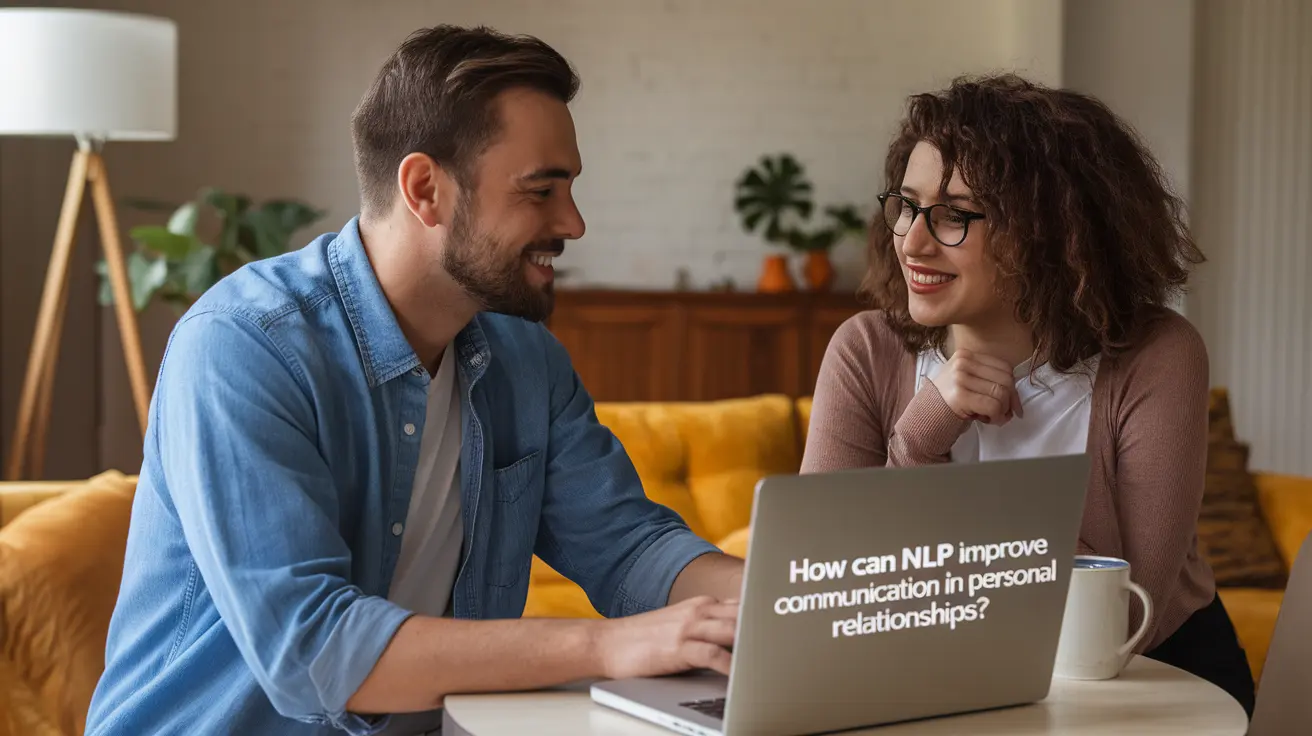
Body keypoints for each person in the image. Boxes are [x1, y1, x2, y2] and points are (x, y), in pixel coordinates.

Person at [85, 25, 743, 736]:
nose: (573, 222)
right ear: (426, 189)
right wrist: (606, 647)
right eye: (540, 191)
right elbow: (312, 649)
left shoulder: (527, 361)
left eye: (571, 189)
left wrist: (783, 598)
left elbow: (629, 547)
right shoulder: (244, 347)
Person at [802, 74, 1256, 716]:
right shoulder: (864, 349)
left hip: (1152, 684)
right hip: (941, 684)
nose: (912, 241)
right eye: (907, 205)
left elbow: (1120, 622)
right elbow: (826, 594)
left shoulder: (1157, 356)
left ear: (1053, 231)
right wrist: (921, 437)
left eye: (955, 215)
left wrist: (933, 482)